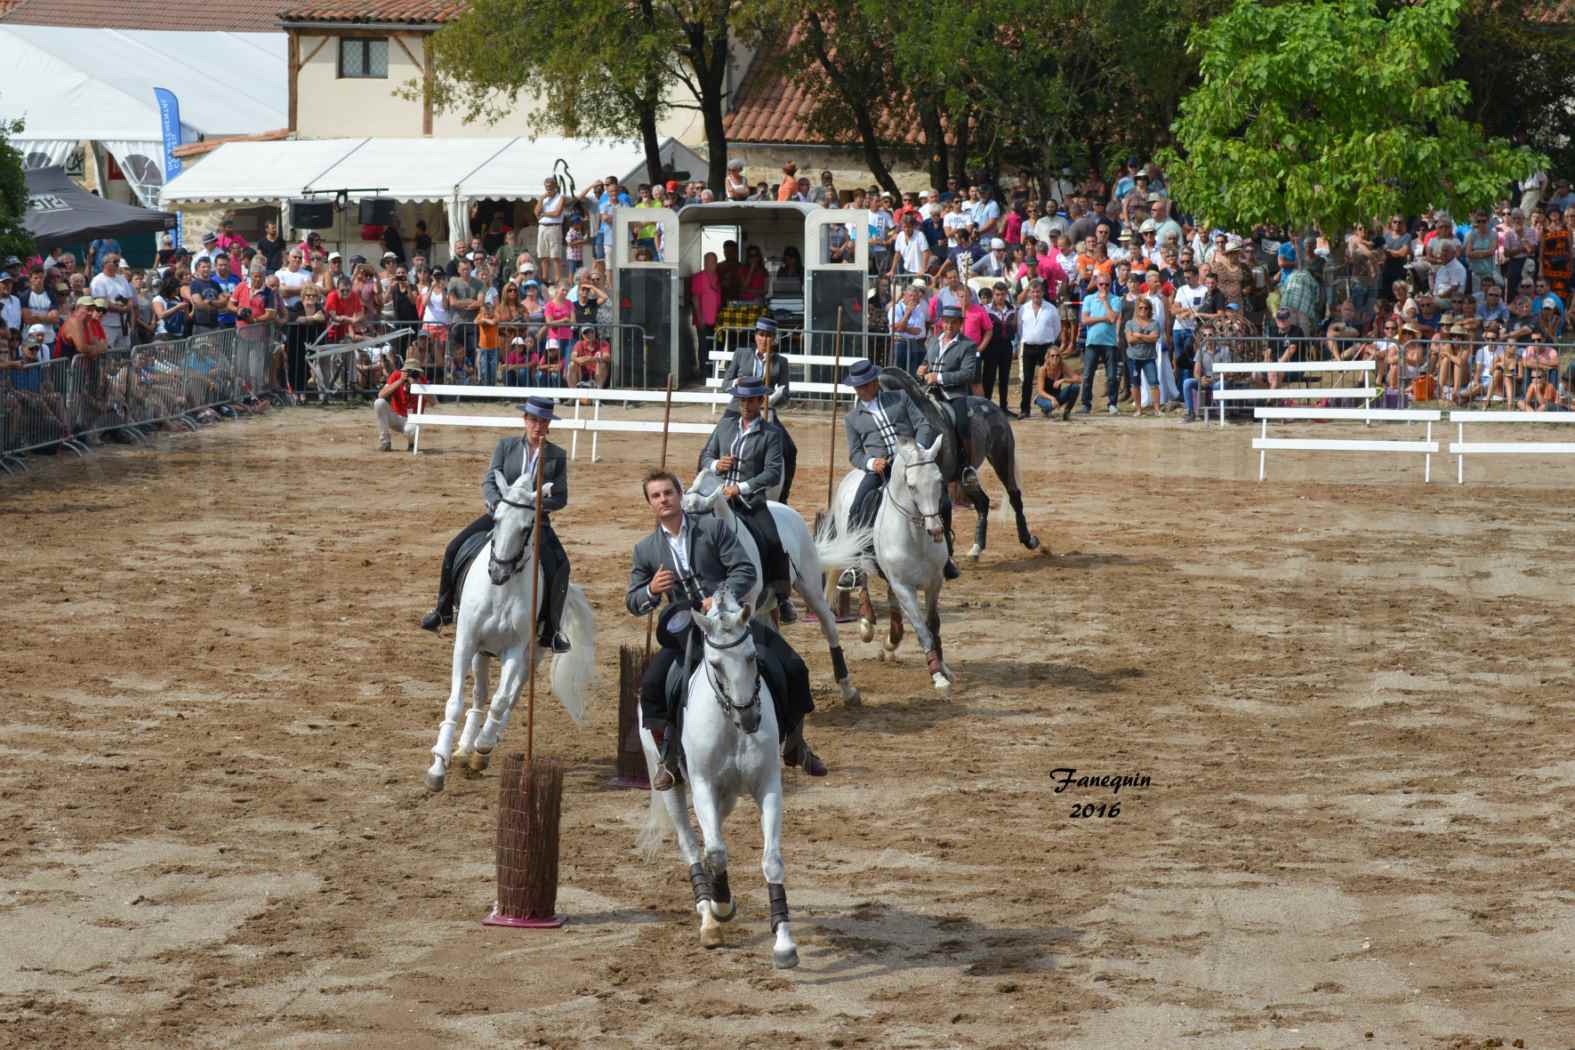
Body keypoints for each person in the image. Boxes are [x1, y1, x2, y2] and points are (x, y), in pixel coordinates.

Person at [626, 469, 825, 791]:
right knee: (651, 687)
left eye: (668, 492)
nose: (663, 499)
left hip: (730, 623)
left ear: (680, 495)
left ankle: (795, 744)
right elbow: (632, 601)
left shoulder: (713, 529)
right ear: (650, 504)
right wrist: (650, 590)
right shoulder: (646, 550)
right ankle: (668, 755)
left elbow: (744, 569)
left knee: (793, 667)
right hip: (686, 630)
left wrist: (719, 597)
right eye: (656, 496)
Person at [420, 397, 573, 653]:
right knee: (454, 546)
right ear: (525, 420)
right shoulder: (506, 446)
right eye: (534, 420)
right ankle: (443, 610)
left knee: (561, 565)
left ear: (549, 424)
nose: (538, 426)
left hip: (534, 522)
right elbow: (490, 480)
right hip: (500, 516)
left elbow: (561, 496)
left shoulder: (557, 455)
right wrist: (496, 502)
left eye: (543, 421)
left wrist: (536, 508)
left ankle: (552, 630)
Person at [700, 376, 797, 623]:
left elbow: (773, 473)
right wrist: (716, 464)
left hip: (750, 501)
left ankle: (782, 596)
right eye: (741, 399)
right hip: (717, 497)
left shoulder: (771, 434)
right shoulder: (725, 425)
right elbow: (705, 455)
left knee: (773, 540)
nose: (745, 404)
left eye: (750, 400)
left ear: (760, 400)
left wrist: (740, 488)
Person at [841, 357, 939, 565]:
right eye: (859, 386)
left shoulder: (900, 398)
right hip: (881, 470)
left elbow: (923, 425)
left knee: (942, 498)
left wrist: (917, 452)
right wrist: (871, 463)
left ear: (876, 382)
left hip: (911, 462)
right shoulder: (852, 418)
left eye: (866, 384)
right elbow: (855, 453)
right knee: (857, 507)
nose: (863, 389)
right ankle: (855, 561)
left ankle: (945, 553)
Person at [719, 315, 798, 502]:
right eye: (761, 335)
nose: (765, 339)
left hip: (766, 412)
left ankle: (783, 495)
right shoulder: (741, 354)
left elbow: (786, 395)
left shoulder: (781, 362)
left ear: (775, 339)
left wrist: (776, 398)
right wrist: (736, 383)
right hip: (737, 410)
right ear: (755, 336)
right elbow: (725, 384)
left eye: (769, 336)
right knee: (714, 444)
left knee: (790, 449)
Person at [917, 304, 980, 482]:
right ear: (941, 323)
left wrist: (939, 378)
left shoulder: (968, 345)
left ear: (960, 324)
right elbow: (926, 360)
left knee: (961, 423)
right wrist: (922, 368)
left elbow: (968, 374)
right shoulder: (932, 341)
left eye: (953, 323)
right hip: (929, 391)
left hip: (954, 394)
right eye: (946, 322)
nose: (949, 326)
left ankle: (967, 464)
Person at [374, 360, 422, 451]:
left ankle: (412, 444)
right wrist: (400, 380)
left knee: (410, 430)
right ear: (403, 371)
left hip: (412, 419)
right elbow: (381, 395)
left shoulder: (421, 379)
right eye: (409, 371)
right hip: (396, 417)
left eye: (414, 372)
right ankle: (385, 442)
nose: (411, 374)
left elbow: (434, 402)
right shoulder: (397, 375)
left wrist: (418, 386)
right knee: (379, 403)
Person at [1032, 347, 1081, 420]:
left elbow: (1079, 379)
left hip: (1057, 395)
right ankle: (1045, 409)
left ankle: (1067, 412)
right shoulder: (1043, 370)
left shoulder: (1062, 366)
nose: (1055, 357)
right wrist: (1052, 398)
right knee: (1051, 405)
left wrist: (1063, 380)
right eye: (1052, 356)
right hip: (1044, 396)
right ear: (1048, 358)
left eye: (1057, 355)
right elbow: (1041, 391)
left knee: (1075, 387)